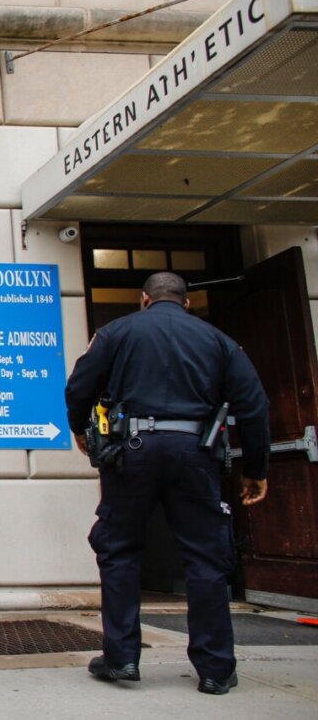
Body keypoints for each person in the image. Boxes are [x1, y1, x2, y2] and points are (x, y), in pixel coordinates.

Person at [65, 271, 270, 695]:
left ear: (144, 299)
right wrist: (257, 468)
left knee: (119, 550)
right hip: (196, 453)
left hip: (131, 452)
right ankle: (214, 668)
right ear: (187, 302)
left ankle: (121, 658)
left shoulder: (116, 332)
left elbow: (79, 386)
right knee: (204, 559)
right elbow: (254, 405)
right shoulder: (218, 340)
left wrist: (80, 430)